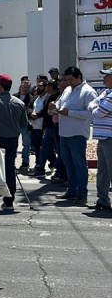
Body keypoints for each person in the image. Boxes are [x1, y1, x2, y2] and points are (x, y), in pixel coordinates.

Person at [51, 66, 97, 203]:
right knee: (68, 163)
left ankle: (82, 193)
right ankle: (71, 190)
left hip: (77, 133)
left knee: (79, 164)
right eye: (66, 79)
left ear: (79, 77)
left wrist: (69, 113)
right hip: (64, 133)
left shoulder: (88, 92)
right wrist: (54, 107)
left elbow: (90, 114)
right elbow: (59, 105)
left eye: (71, 79)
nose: (68, 82)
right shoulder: (67, 90)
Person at [0, 74, 28, 209]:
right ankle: (9, 200)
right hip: (13, 139)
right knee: (9, 169)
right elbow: (24, 123)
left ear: (0, 87)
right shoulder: (19, 103)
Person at [91, 68, 112, 210]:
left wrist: (94, 107)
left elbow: (99, 113)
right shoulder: (106, 93)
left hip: (110, 138)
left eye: (107, 76)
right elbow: (93, 104)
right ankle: (103, 200)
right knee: (103, 171)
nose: (104, 79)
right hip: (103, 138)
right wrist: (95, 106)